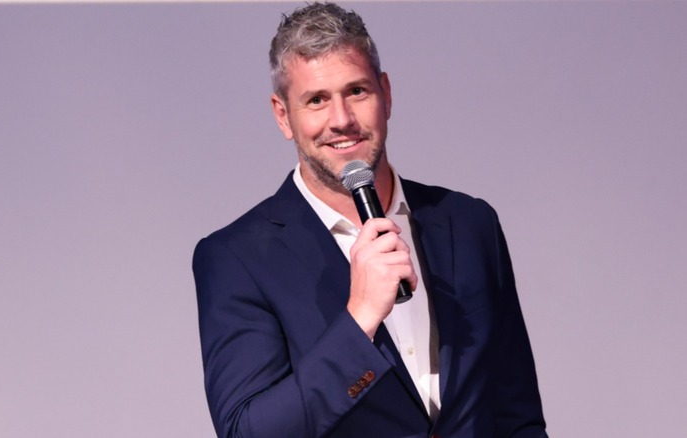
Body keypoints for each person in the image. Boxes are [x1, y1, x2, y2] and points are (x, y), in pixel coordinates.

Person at [193, 3, 547, 437]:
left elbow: (518, 415)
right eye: (317, 100)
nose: (341, 120)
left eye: (356, 91)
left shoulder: (470, 223)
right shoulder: (236, 258)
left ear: (387, 94)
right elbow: (248, 431)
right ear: (284, 115)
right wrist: (358, 320)